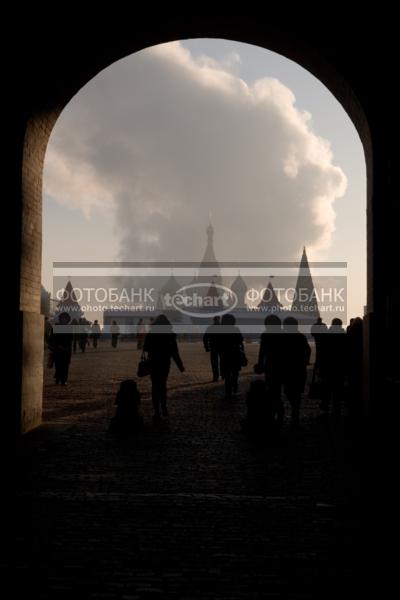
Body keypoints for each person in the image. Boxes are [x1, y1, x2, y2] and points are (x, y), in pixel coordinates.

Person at [143, 314, 185, 420]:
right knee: (162, 385)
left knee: (155, 386)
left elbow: (145, 348)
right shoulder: (170, 335)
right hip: (165, 363)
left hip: (153, 362)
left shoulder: (151, 334)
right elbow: (175, 352)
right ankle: (164, 407)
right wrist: (180, 365)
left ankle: (156, 411)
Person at [255, 315, 284, 428]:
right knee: (277, 389)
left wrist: (260, 364)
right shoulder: (283, 334)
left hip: (270, 366)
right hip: (281, 366)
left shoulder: (266, 335)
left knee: (272, 389)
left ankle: (273, 413)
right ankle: (280, 412)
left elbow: (262, 352)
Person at [281, 317, 311, 426]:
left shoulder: (283, 337)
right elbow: (308, 350)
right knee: (297, 392)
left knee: (289, 391)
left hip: (288, 370)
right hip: (299, 369)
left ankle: (294, 413)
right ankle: (295, 413)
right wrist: (305, 361)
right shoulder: (301, 337)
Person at [219, 313, 245, 399]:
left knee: (227, 374)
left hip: (225, 354)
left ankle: (228, 390)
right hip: (235, 354)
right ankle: (235, 389)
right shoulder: (236, 329)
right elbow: (240, 341)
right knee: (235, 373)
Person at [49, 312, 73, 385]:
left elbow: (70, 340)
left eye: (65, 318)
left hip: (66, 350)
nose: (64, 320)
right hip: (57, 350)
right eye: (62, 318)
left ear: (67, 319)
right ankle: (57, 378)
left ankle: (64, 380)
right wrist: (56, 346)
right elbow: (52, 339)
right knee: (58, 365)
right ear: (60, 319)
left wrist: (68, 349)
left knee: (65, 366)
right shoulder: (55, 327)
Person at [203, 316, 221, 381]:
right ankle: (223, 375)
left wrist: (206, 347)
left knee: (214, 363)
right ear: (219, 319)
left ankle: (215, 376)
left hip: (213, 347)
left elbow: (205, 338)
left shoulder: (210, 328)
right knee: (223, 362)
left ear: (213, 320)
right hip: (222, 347)